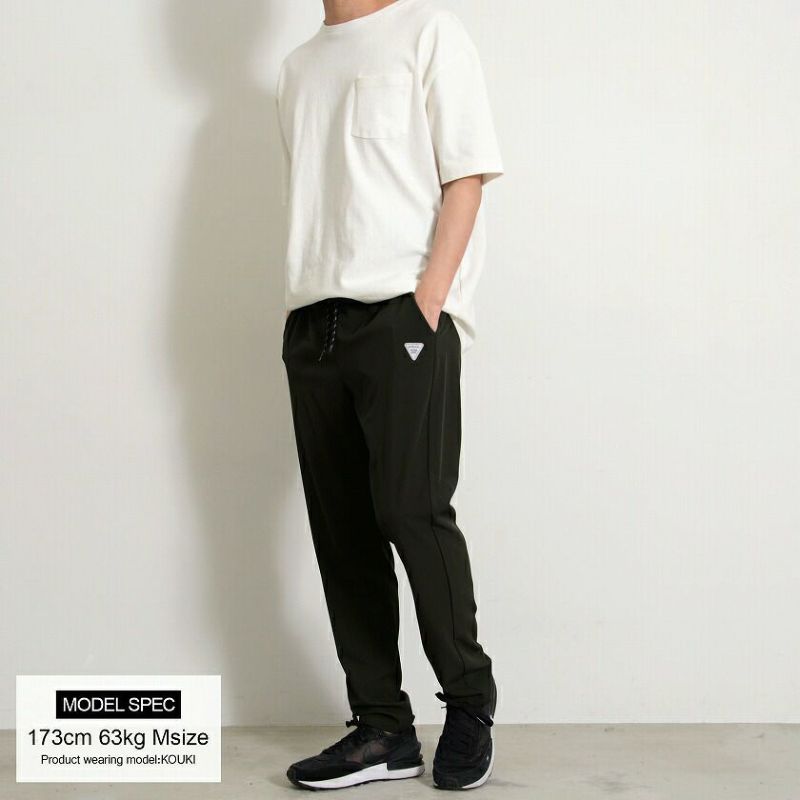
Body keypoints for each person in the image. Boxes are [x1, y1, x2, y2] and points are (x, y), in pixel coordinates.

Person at [276, 0, 503, 790]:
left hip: (402, 317)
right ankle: (382, 728)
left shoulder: (428, 32)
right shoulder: (299, 67)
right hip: (314, 323)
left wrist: (428, 304)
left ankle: (469, 702)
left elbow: (465, 175)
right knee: (342, 531)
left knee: (412, 510)